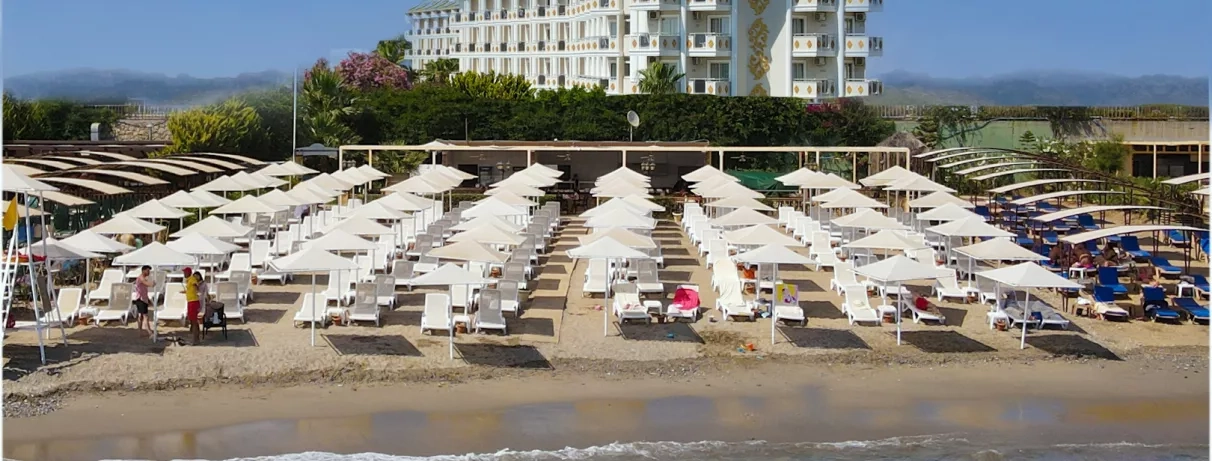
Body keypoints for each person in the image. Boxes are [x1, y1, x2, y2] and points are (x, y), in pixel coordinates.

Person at [134, 266, 155, 337]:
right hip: (140, 299)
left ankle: (140, 332)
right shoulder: (141, 278)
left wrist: (148, 299)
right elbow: (147, 284)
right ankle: (149, 332)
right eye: (147, 270)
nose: (149, 272)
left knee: (141, 316)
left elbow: (143, 290)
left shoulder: (143, 278)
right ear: (143, 271)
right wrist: (153, 283)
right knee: (145, 316)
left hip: (143, 299)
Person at [182, 268, 202, 345]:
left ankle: (195, 340)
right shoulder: (189, 280)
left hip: (193, 302)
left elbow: (195, 285)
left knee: (193, 322)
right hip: (191, 301)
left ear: (188, 272)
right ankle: (196, 338)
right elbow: (191, 289)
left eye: (185, 272)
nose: (184, 274)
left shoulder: (192, 279)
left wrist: (197, 289)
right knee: (194, 321)